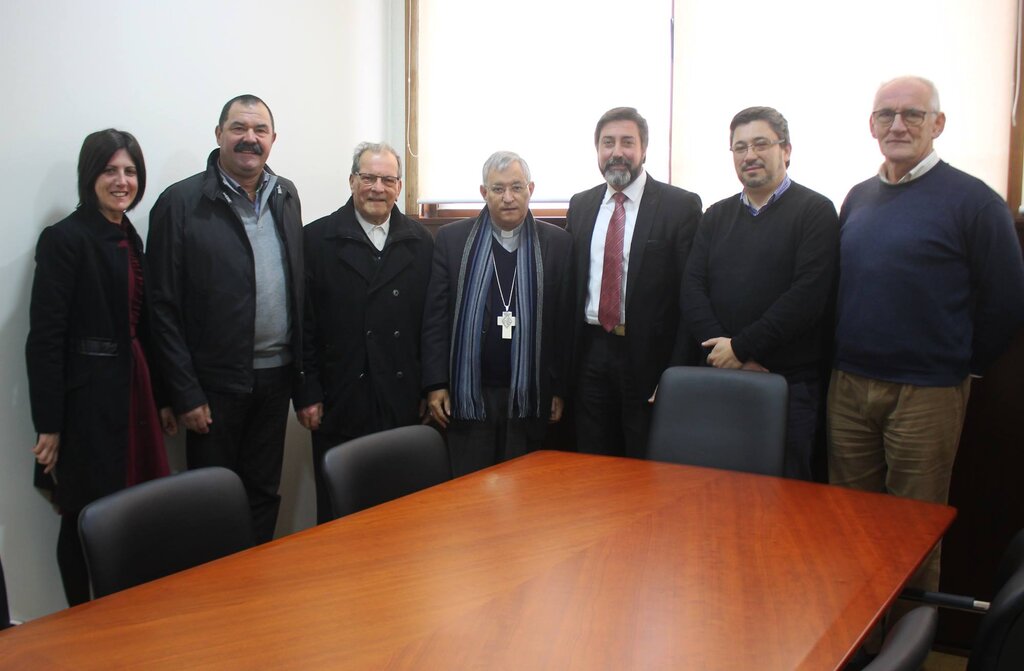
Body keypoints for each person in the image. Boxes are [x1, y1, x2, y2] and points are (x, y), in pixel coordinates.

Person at [829, 76, 1024, 591]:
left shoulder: (975, 202)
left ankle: (905, 649)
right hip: (848, 387)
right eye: (885, 114)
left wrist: (954, 360)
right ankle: (861, 647)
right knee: (849, 525)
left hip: (928, 393)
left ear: (937, 124)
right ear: (870, 126)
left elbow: (1007, 302)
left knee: (912, 532)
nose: (898, 124)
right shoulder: (858, 197)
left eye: (912, 114)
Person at [26, 129, 176, 605]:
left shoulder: (130, 235)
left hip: (135, 391)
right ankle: (80, 617)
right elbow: (45, 339)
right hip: (86, 403)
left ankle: (127, 614)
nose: (121, 180)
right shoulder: (65, 239)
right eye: (110, 170)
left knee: (135, 510)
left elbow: (146, 325)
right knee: (83, 515)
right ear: (90, 175)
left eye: (130, 171)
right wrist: (48, 425)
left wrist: (166, 398)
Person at [147, 95, 304, 544]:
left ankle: (253, 593)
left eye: (260, 130)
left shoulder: (286, 194)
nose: (249, 139)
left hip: (275, 381)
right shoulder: (180, 203)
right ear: (219, 135)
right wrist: (184, 392)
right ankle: (215, 603)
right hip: (213, 387)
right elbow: (162, 308)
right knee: (210, 503)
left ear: (273, 139)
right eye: (239, 128)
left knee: (262, 492)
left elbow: (298, 289)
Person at [682, 106, 838, 480]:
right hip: (720, 375)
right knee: (716, 492)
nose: (749, 155)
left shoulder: (815, 211)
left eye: (760, 144)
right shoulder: (715, 215)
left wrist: (742, 348)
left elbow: (807, 297)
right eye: (740, 147)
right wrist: (725, 353)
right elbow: (692, 288)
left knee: (784, 500)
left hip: (787, 384)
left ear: (786, 149)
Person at [296, 142, 433, 523]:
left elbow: (430, 324)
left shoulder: (421, 242)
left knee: (399, 507)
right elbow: (304, 324)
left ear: (400, 186)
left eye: (387, 179)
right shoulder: (316, 239)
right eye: (368, 177)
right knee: (340, 509)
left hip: (399, 394)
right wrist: (307, 392)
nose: (377, 187)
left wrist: (427, 387)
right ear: (352, 180)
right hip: (340, 397)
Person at [422, 151, 573, 476]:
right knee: (469, 492)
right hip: (468, 397)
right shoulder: (451, 239)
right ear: (483, 192)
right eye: (498, 189)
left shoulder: (558, 244)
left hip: (530, 397)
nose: (508, 198)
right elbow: (435, 319)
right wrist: (436, 383)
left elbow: (564, 324)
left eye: (517, 187)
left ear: (530, 189)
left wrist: (558, 388)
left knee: (523, 492)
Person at [566, 107, 703, 458]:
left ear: (644, 149)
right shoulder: (581, 205)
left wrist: (675, 372)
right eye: (608, 142)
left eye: (627, 142)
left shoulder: (679, 206)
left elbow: (691, 298)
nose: (617, 152)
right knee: (592, 459)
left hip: (648, 358)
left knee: (644, 463)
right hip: (590, 353)